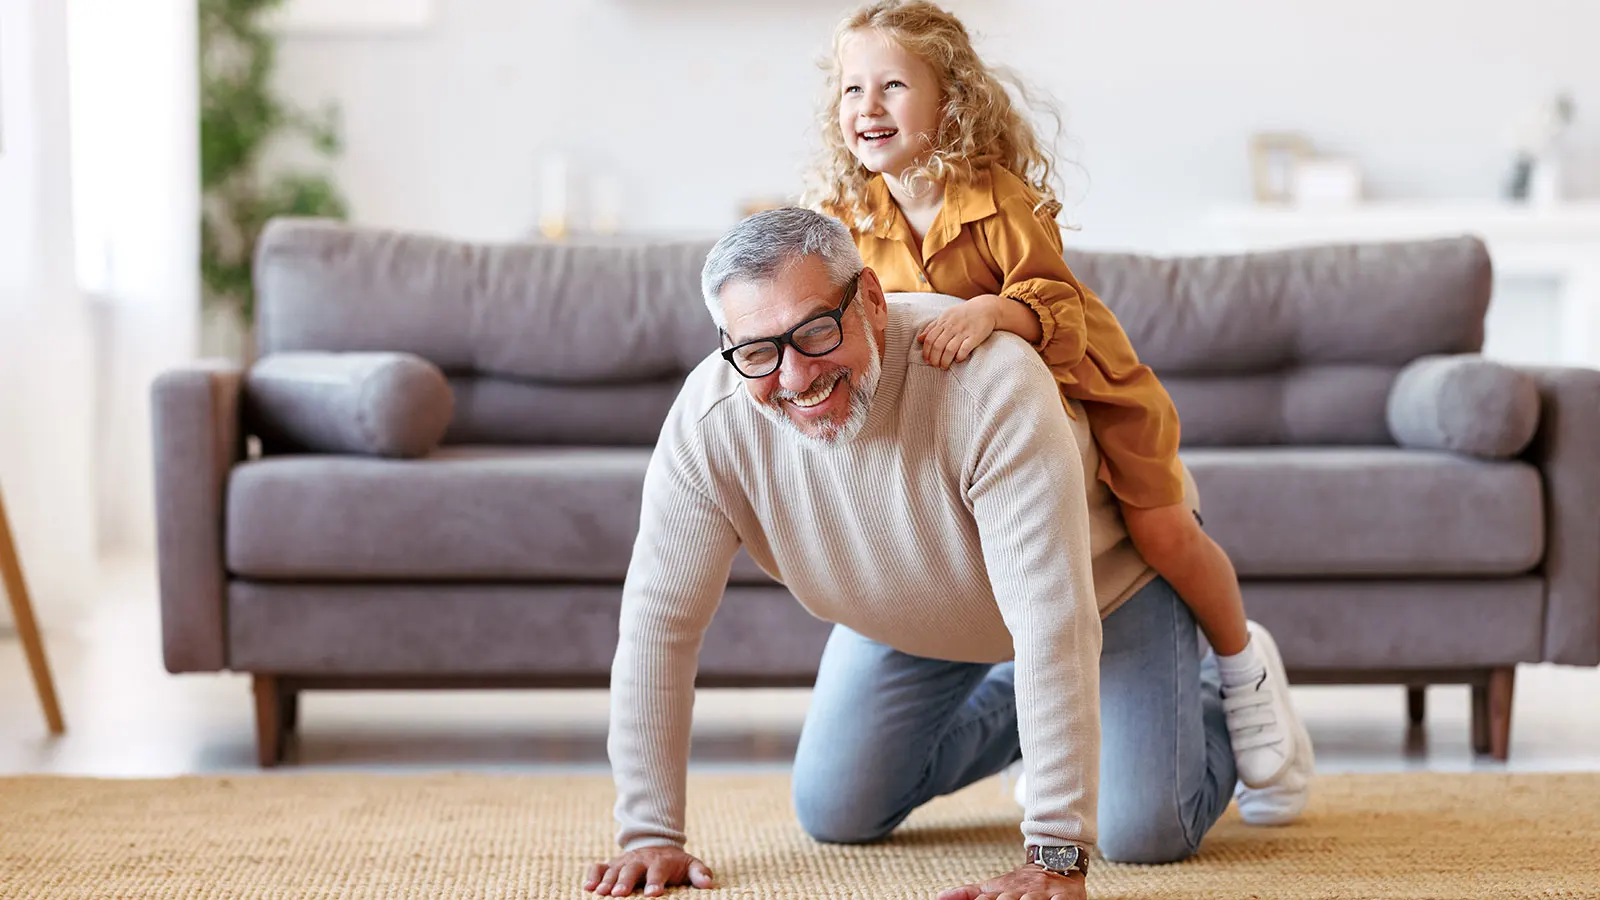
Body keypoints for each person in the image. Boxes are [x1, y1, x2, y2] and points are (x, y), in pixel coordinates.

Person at [583, 209, 1311, 899]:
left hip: (1099, 598)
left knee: (1147, 831)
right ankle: (1052, 717)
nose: (795, 376)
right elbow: (659, 623)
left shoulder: (987, 383)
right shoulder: (711, 423)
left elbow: (1052, 621)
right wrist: (650, 830)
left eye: (814, 333)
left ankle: (1213, 686)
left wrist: (1055, 848)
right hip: (910, 616)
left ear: (869, 297)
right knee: (839, 811)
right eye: (757, 351)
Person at [803, 0, 1307, 793]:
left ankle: (1241, 669)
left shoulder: (998, 200)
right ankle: (1039, 715)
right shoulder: (842, 222)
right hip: (965, 448)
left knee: (1164, 532)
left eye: (892, 86)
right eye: (850, 90)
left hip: (1091, 397)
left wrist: (989, 311)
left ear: (950, 101)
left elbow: (1055, 304)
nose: (867, 107)